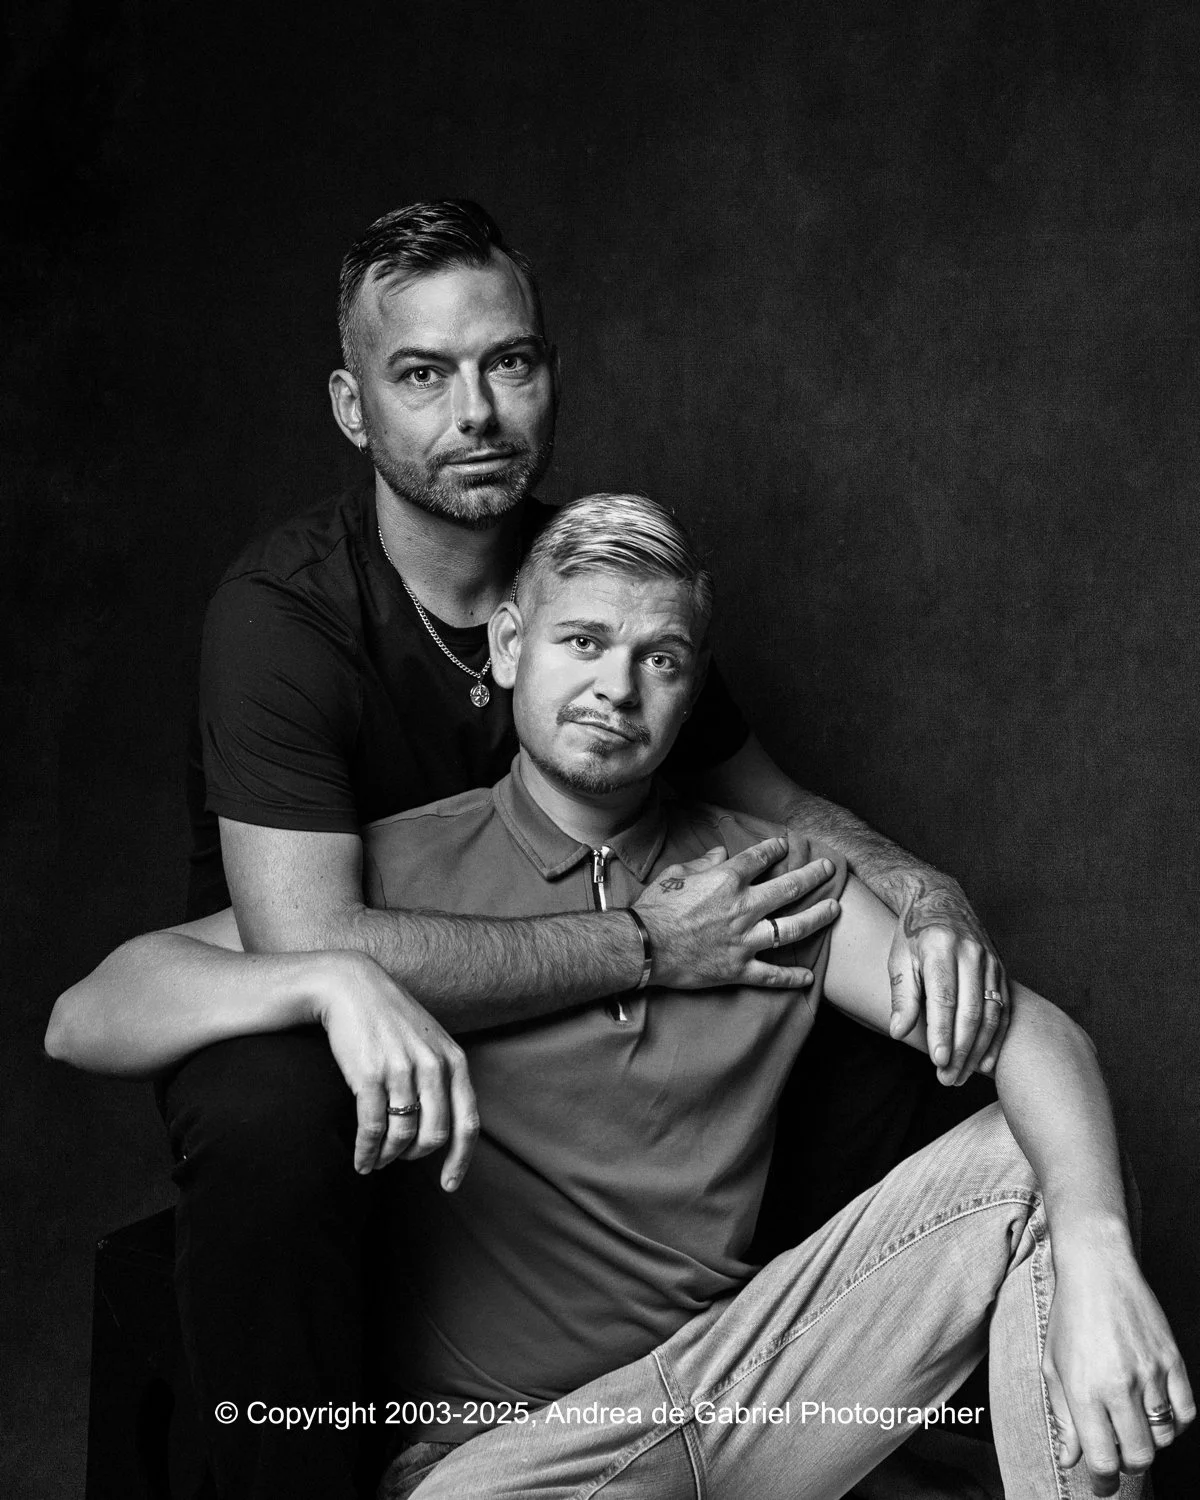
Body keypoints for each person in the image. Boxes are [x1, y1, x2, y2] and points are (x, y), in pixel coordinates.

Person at [52, 201, 1006, 1499]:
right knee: (270, 1103)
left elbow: (775, 802)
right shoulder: (283, 618)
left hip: (560, 1042)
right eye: (424, 374)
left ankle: (754, 1424)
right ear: (352, 408)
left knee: (893, 1023)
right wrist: (648, 946)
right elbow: (301, 939)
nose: (479, 411)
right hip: (315, 1020)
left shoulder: (590, 580)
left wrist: (921, 890)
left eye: (509, 362)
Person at [53, 495, 1192, 1500]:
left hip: (743, 1390)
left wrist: (1096, 1248)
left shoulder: (769, 880)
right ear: (507, 649)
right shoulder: (396, 875)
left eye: (660, 659)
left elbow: (1032, 1031)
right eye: (583, 642)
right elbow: (88, 1011)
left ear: (695, 694)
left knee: (1053, 1160)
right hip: (509, 1459)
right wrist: (332, 976)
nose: (617, 685)